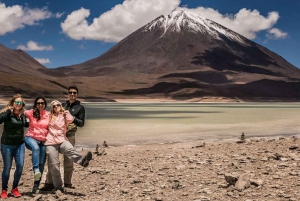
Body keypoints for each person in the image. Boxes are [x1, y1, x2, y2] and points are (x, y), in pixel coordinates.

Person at [41, 86, 85, 190]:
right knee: (52, 160)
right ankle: (49, 183)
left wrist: (72, 118)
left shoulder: (80, 108)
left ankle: (67, 183)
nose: (72, 94)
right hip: (56, 137)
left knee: (68, 160)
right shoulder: (62, 105)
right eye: (70, 92)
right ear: (68, 94)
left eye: (74, 93)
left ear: (77, 94)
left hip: (69, 135)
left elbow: (81, 123)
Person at [0, 94, 28, 198]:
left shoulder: (22, 115)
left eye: (20, 103)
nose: (18, 104)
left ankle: (15, 188)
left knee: (20, 166)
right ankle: (4, 190)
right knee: (7, 167)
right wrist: (7, 112)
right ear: (12, 103)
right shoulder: (7, 113)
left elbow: (28, 124)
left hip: (19, 144)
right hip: (7, 144)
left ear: (22, 105)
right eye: (16, 102)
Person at [24, 96, 50, 193]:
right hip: (30, 138)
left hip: (43, 141)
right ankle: (35, 170)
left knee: (42, 164)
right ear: (35, 104)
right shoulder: (31, 113)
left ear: (45, 104)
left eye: (42, 103)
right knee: (35, 148)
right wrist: (9, 108)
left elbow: (58, 119)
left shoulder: (48, 115)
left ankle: (36, 187)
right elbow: (19, 111)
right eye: (38, 103)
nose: (40, 105)